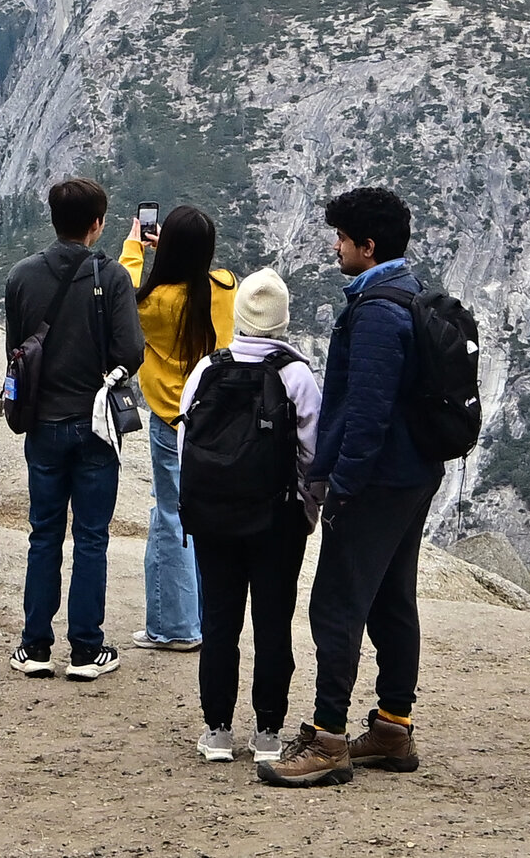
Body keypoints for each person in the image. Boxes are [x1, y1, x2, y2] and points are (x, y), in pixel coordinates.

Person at [259, 186, 444, 787]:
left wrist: (342, 486)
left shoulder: (373, 314)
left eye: (342, 239)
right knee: (393, 600)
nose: (336, 247)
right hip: (414, 474)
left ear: (367, 246)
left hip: (375, 482)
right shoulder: (413, 295)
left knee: (335, 604)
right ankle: (393, 726)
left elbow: (365, 413)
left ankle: (329, 736)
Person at [3, 177, 144, 683]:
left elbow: (16, 353)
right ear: (97, 224)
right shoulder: (114, 278)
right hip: (97, 427)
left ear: (53, 219)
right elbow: (131, 353)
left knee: (43, 534)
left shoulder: (21, 276)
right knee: (91, 537)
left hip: (42, 424)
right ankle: (86, 650)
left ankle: (34, 646)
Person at [178, 267, 321, 765]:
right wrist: (307, 511)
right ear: (282, 321)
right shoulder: (296, 375)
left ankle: (217, 731)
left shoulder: (206, 370)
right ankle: (268, 734)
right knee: (273, 622)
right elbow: (311, 455)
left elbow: (185, 447)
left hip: (215, 518)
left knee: (219, 622)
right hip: (277, 521)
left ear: (238, 316)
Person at [118, 206, 237, 653]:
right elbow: (208, 278)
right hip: (217, 421)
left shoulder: (155, 302)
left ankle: (175, 627)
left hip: (171, 421)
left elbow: (123, 292)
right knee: (209, 519)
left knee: (170, 516)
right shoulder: (225, 286)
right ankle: (209, 621)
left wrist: (136, 246)